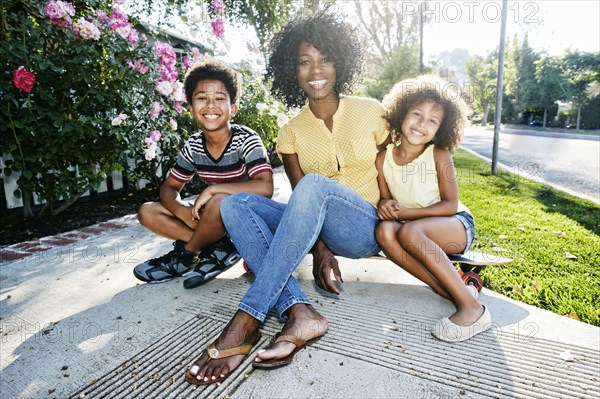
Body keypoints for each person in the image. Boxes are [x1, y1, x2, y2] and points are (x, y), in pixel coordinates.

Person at [184, 9, 390, 385]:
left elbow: (398, 171)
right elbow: (301, 200)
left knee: (314, 183)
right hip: (318, 231)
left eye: (326, 58)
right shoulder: (290, 131)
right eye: (304, 62)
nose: (316, 70)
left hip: (365, 227)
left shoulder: (373, 113)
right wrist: (321, 250)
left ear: (341, 62)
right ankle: (299, 311)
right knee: (235, 204)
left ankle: (246, 319)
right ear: (291, 70)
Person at [133, 58, 273, 289]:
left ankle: (186, 255)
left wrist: (214, 188)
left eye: (219, 99)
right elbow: (169, 188)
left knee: (220, 201)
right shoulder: (194, 146)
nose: (210, 106)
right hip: (212, 223)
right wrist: (180, 210)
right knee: (148, 211)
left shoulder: (246, 139)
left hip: (247, 221)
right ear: (190, 109)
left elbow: (265, 187)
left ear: (233, 109)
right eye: (201, 99)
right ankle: (218, 249)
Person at [375, 74, 490, 342]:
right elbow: (385, 200)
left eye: (432, 121)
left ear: (441, 129)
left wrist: (405, 215)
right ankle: (445, 289)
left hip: (456, 225)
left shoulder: (439, 155)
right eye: (416, 114)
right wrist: (386, 205)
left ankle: (473, 310)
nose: (421, 124)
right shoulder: (383, 159)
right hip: (415, 229)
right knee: (384, 231)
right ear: (401, 114)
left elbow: (450, 205)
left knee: (408, 232)